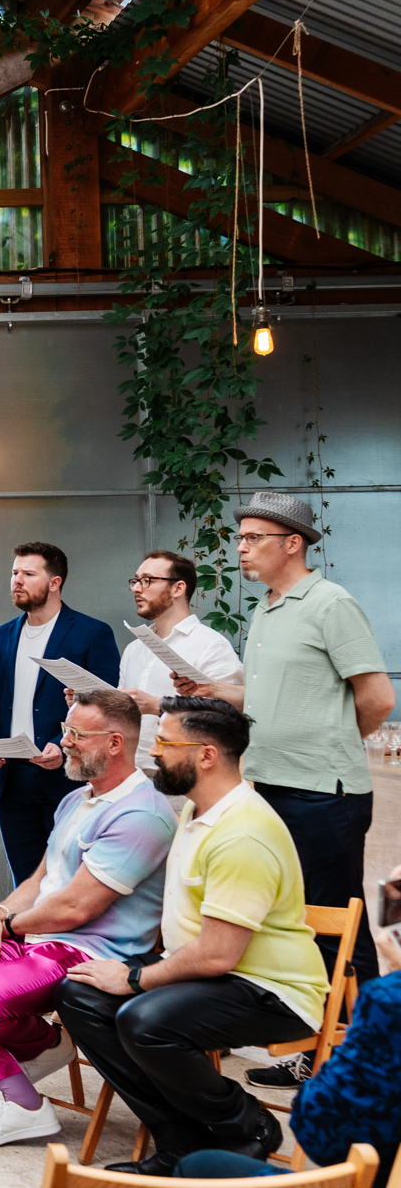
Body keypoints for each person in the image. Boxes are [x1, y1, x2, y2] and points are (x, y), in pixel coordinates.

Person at [54, 696, 331, 1177]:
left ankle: (244, 1124)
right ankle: (179, 1140)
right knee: (78, 994)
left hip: (273, 992)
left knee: (146, 1019)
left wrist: (135, 978)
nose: (153, 752)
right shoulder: (197, 810)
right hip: (215, 977)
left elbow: (220, 954)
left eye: (164, 741)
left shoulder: (243, 830)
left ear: (206, 755)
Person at [173, 493, 391, 1090]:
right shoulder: (265, 611)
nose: (240, 547)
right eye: (240, 537)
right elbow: (270, 696)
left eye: (252, 538)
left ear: (291, 543)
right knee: (290, 922)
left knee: (336, 924)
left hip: (324, 791)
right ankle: (308, 1044)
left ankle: (361, 1062)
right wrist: (215, 690)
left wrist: (329, 745)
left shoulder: (330, 604)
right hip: (268, 785)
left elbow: (376, 699)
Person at [0, 689, 176, 1148]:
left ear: (114, 743)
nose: (63, 741)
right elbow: (43, 880)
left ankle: (22, 1096)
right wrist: (0, 910)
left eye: (75, 734)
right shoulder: (76, 801)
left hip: (86, 951)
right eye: (65, 730)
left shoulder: (141, 813)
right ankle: (41, 1058)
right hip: (37, 937)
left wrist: (10, 926)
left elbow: (76, 908)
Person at [174, 870, 399, 1182]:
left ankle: (239, 1123)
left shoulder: (389, 1001)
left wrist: (395, 976)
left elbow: (320, 1134)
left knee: (200, 1166)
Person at [0, 541, 120, 884]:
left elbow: (105, 704)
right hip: (10, 778)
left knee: (69, 878)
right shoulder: (1, 636)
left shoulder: (92, 633)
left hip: (68, 775)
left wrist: (62, 743)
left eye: (28, 573)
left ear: (55, 582)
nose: (17, 581)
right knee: (25, 880)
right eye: (14, 573)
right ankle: (26, 940)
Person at [113, 549, 240, 756]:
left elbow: (226, 721)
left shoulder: (211, 645)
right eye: (135, 581)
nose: (136, 588)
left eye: (147, 580)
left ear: (178, 588)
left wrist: (157, 706)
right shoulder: (133, 649)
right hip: (132, 771)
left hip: (184, 775)